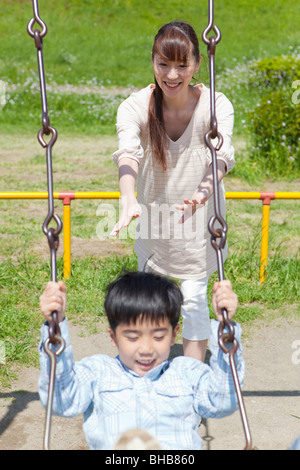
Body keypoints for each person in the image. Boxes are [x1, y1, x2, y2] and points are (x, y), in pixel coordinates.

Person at [110, 21, 235, 361]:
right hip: (154, 218)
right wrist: (127, 196)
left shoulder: (216, 105)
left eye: (182, 64)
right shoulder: (136, 106)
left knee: (194, 304)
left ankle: (189, 389)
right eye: (163, 63)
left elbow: (220, 157)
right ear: (153, 61)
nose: (172, 74)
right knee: (150, 306)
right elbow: (128, 151)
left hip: (200, 223)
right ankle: (149, 380)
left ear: (196, 63)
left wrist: (204, 192)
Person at [38, 271, 244, 450]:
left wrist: (225, 326)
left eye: (158, 337)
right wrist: (55, 326)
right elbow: (62, 401)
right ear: (113, 337)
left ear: (174, 335)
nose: (146, 349)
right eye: (132, 337)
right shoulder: (98, 372)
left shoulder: (187, 373)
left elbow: (222, 402)